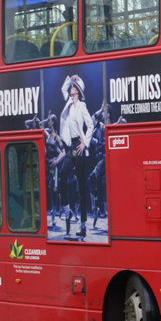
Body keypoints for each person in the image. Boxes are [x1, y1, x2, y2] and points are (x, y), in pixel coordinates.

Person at [58, 74, 94, 238]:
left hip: (79, 146)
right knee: (61, 177)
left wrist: (85, 143)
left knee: (81, 185)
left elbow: (90, 125)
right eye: (71, 86)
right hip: (70, 147)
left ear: (78, 91)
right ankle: (67, 209)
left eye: (74, 86)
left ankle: (83, 225)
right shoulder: (68, 103)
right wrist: (70, 78)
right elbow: (63, 88)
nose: (71, 87)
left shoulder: (82, 106)